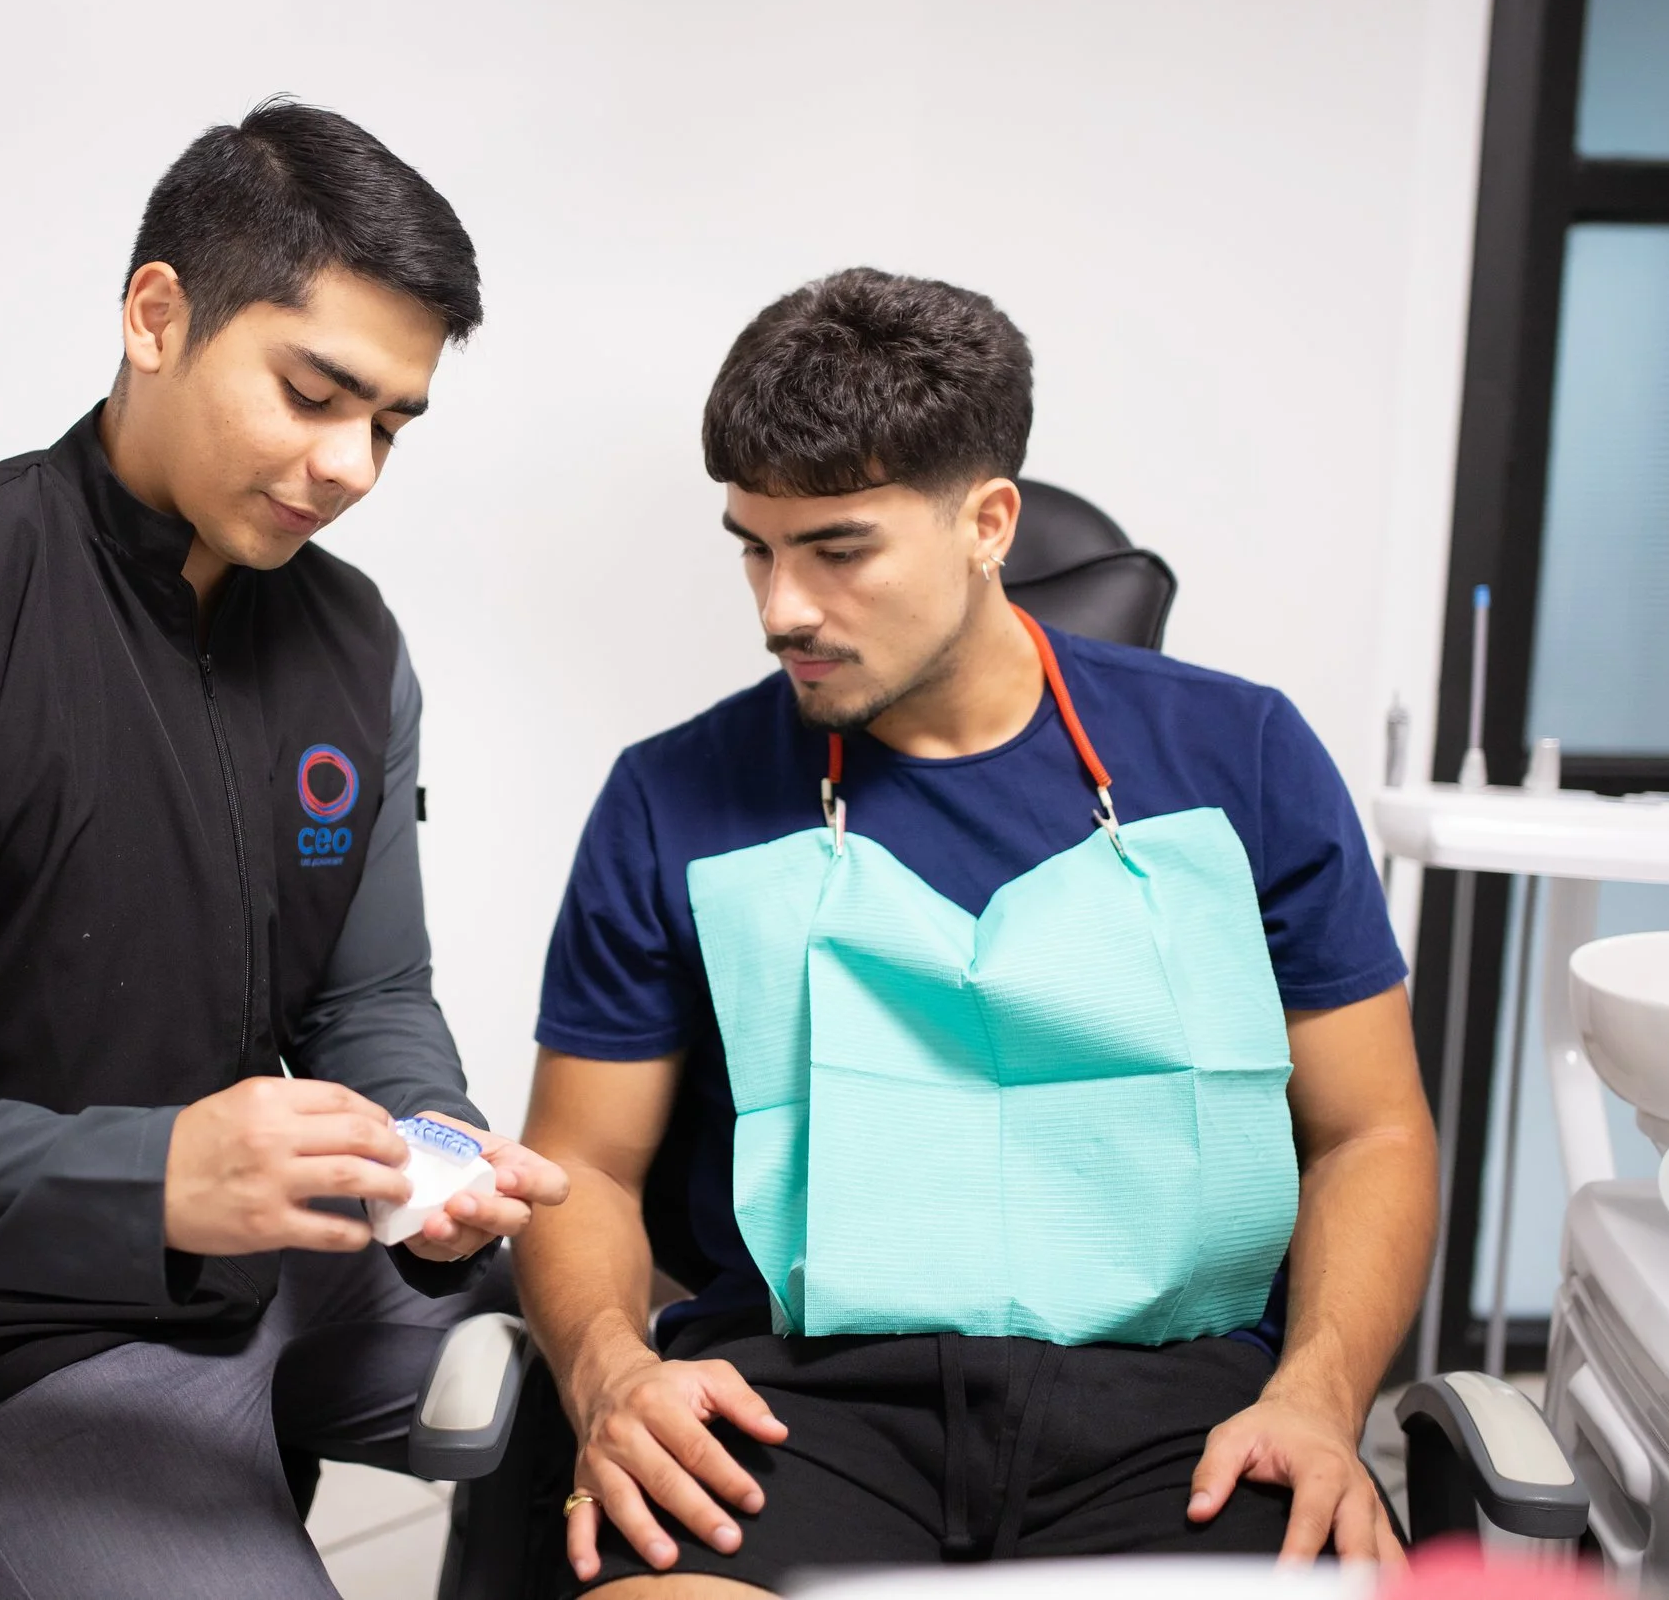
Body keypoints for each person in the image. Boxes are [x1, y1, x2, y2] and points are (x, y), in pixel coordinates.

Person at [0, 99, 566, 1600]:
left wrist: (431, 1147)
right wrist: (152, 1178)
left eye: (390, 424)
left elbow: (371, 992)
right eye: (315, 392)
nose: (350, 467)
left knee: (629, 1376)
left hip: (260, 1252)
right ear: (156, 315)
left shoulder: (352, 639)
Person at [515, 268, 1436, 1596]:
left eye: (836, 551)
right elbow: (582, 1165)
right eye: (754, 548)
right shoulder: (672, 795)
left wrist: (1319, 1395)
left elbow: (1373, 1130)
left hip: (1181, 1418)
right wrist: (612, 1370)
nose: (782, 608)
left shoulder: (1238, 757)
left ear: (988, 521)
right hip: (793, 1408)